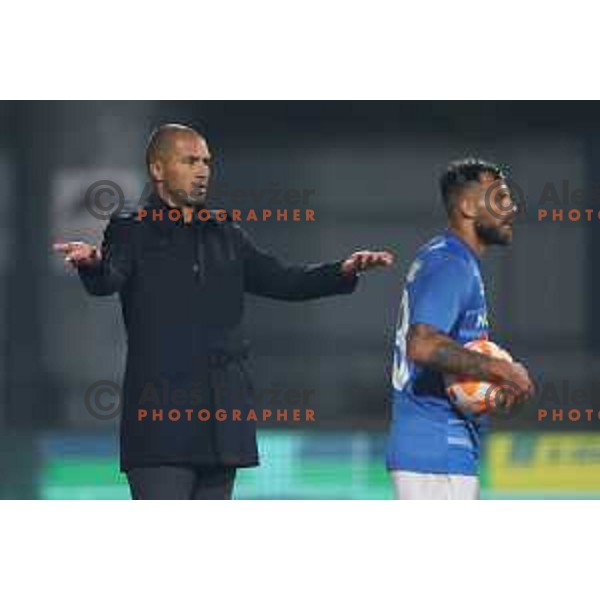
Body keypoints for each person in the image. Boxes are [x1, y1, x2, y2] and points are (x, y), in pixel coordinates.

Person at [53, 123, 393, 500]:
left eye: (206, 162)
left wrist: (341, 271)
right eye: (189, 160)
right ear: (158, 169)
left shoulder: (224, 234)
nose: (202, 171)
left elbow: (283, 280)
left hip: (221, 425)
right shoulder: (132, 230)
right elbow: (109, 277)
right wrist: (92, 263)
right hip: (162, 430)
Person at [386, 158, 534, 500]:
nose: (511, 208)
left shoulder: (450, 259)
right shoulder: (450, 263)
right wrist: (502, 369)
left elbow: (451, 363)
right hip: (434, 452)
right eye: (499, 198)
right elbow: (421, 346)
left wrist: (495, 387)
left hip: (440, 453)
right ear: (467, 206)